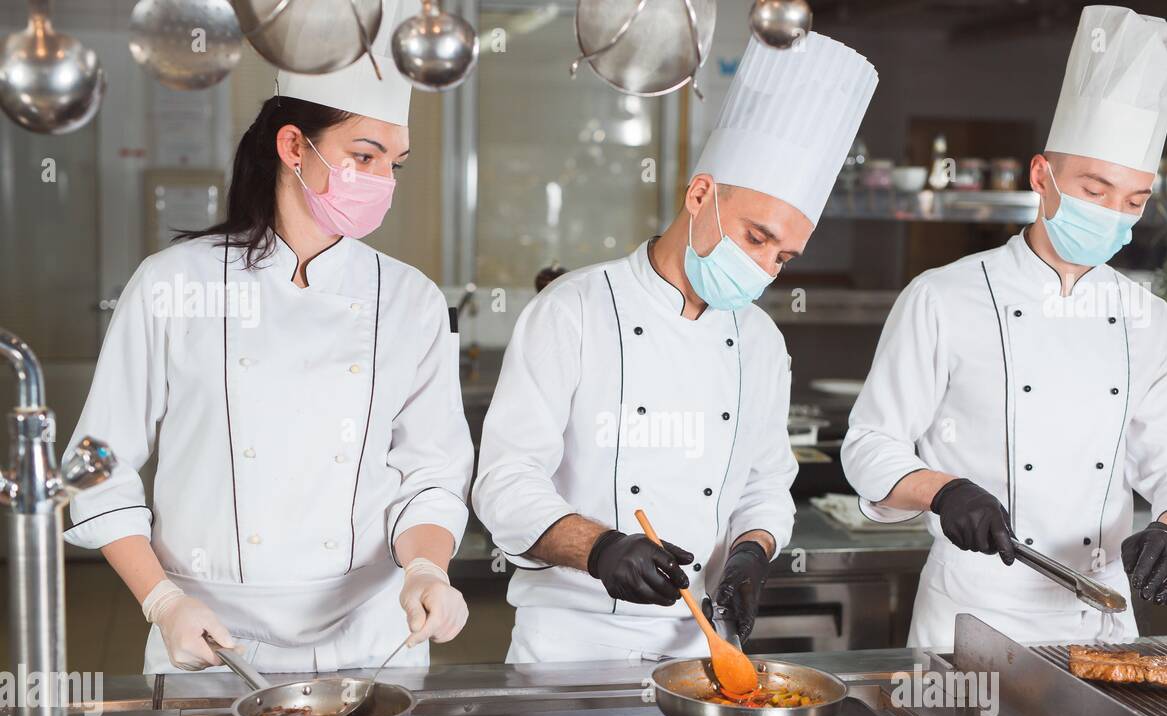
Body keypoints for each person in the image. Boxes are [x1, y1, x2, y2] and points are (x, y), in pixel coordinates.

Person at [63, 1, 473, 672]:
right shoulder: (173, 283)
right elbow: (96, 472)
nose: (378, 181)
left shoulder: (412, 300)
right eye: (362, 156)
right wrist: (162, 602)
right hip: (209, 636)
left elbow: (430, 471)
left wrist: (427, 568)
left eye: (392, 163)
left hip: (373, 640)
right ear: (292, 146)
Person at [473, 34, 878, 662]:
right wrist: (601, 549)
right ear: (700, 196)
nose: (764, 267)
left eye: (782, 256)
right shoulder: (574, 309)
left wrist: (752, 550)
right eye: (755, 236)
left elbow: (768, 482)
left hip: (700, 651)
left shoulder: (761, 343)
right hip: (566, 650)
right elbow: (504, 482)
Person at [841, 5, 1167, 650]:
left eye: (1132, 202)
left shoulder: (1152, 321)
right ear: (1042, 176)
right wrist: (944, 491)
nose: (1112, 216)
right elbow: (870, 446)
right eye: (1095, 191)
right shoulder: (942, 297)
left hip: (1100, 619)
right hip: (969, 619)